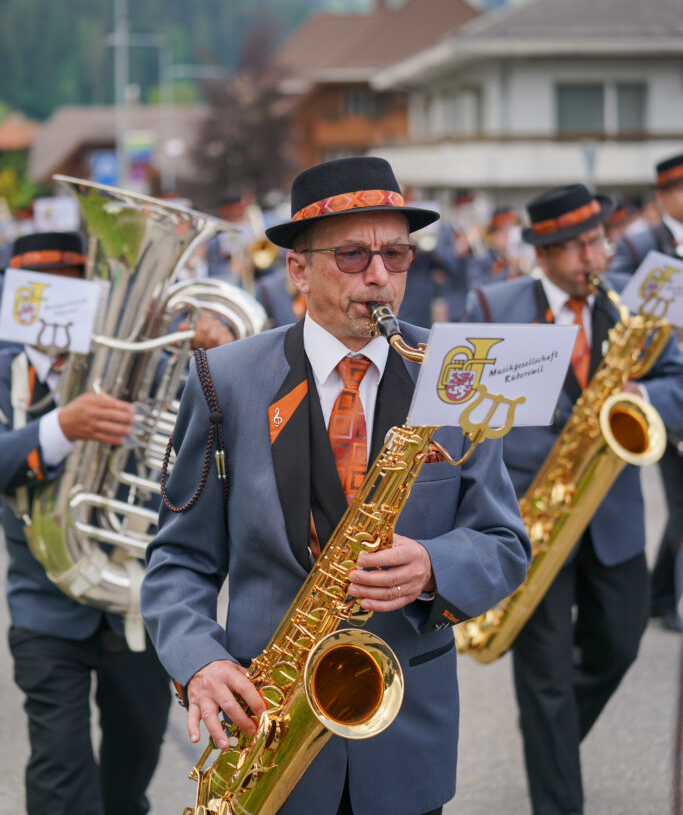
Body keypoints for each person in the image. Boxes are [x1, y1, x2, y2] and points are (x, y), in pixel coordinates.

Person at [141, 156, 531, 815]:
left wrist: (434, 565)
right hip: (267, 728)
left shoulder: (456, 372)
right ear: (297, 269)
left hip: (406, 738)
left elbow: (504, 542)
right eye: (351, 256)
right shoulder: (223, 380)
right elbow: (179, 558)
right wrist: (201, 661)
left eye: (396, 255)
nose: (379, 277)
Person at [462, 183, 683, 815]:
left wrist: (646, 401)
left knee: (621, 645)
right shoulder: (492, 304)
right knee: (546, 680)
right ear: (546, 252)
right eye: (581, 246)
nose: (597, 256)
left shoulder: (630, 310)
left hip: (611, 517)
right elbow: (461, 413)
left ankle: (549, 743)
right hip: (527, 520)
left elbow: (678, 384)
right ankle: (557, 792)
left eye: (600, 240)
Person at [0, 229, 234, 815]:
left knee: (134, 761)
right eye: (42, 289)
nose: (59, 300)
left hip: (136, 604)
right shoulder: (3, 372)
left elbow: (218, 428)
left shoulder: (149, 364)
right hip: (44, 606)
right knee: (58, 767)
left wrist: (214, 351)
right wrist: (60, 427)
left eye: (74, 287)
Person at [610, 151, 683, 631]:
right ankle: (667, 598)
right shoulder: (639, 248)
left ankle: (661, 593)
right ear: (663, 195)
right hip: (659, 385)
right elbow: (615, 309)